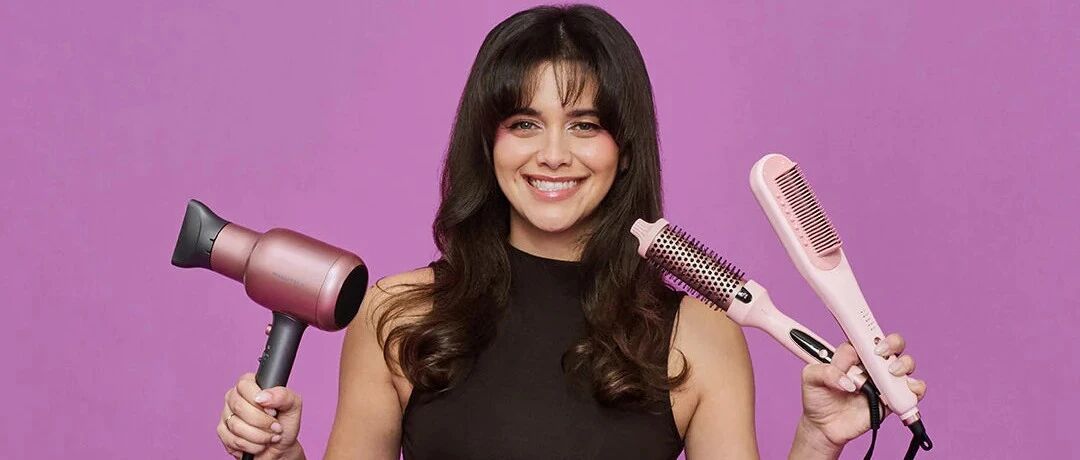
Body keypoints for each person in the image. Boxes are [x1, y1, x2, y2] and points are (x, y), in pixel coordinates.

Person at [215, 4, 926, 459]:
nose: (553, 154)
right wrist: (281, 458)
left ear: (625, 150)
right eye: (525, 123)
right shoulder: (399, 314)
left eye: (584, 125)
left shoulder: (701, 336)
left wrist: (816, 439)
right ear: (488, 142)